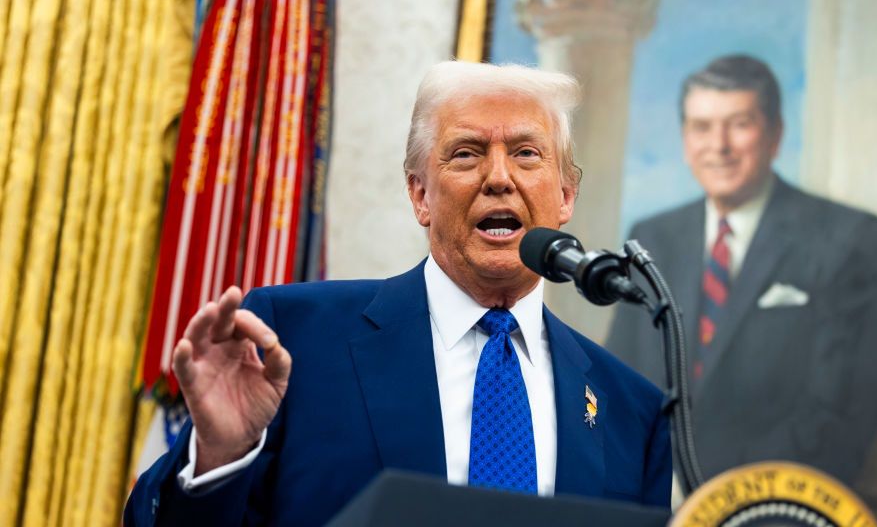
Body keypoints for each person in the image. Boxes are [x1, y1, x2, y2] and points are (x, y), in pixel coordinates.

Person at [125, 61, 671, 526]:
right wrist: (221, 454)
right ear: (420, 195)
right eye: (466, 153)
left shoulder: (632, 411)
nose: (499, 177)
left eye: (527, 154)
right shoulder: (292, 341)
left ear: (566, 196)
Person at [606, 55, 877, 486]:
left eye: (739, 124)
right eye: (702, 127)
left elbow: (843, 415)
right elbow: (620, 381)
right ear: (685, 140)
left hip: (773, 504)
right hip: (650, 497)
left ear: (775, 135)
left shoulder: (849, 239)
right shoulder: (652, 237)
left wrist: (716, 497)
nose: (719, 145)